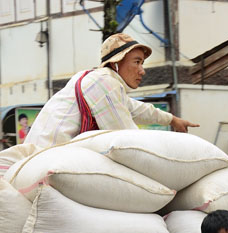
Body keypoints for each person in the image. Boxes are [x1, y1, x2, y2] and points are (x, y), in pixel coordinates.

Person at [24, 33, 197, 147]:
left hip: (39, 155)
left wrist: (173, 120)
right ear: (115, 63)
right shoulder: (104, 83)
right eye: (137, 62)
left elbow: (137, 108)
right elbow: (128, 141)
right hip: (48, 158)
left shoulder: (92, 78)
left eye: (142, 63)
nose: (142, 71)